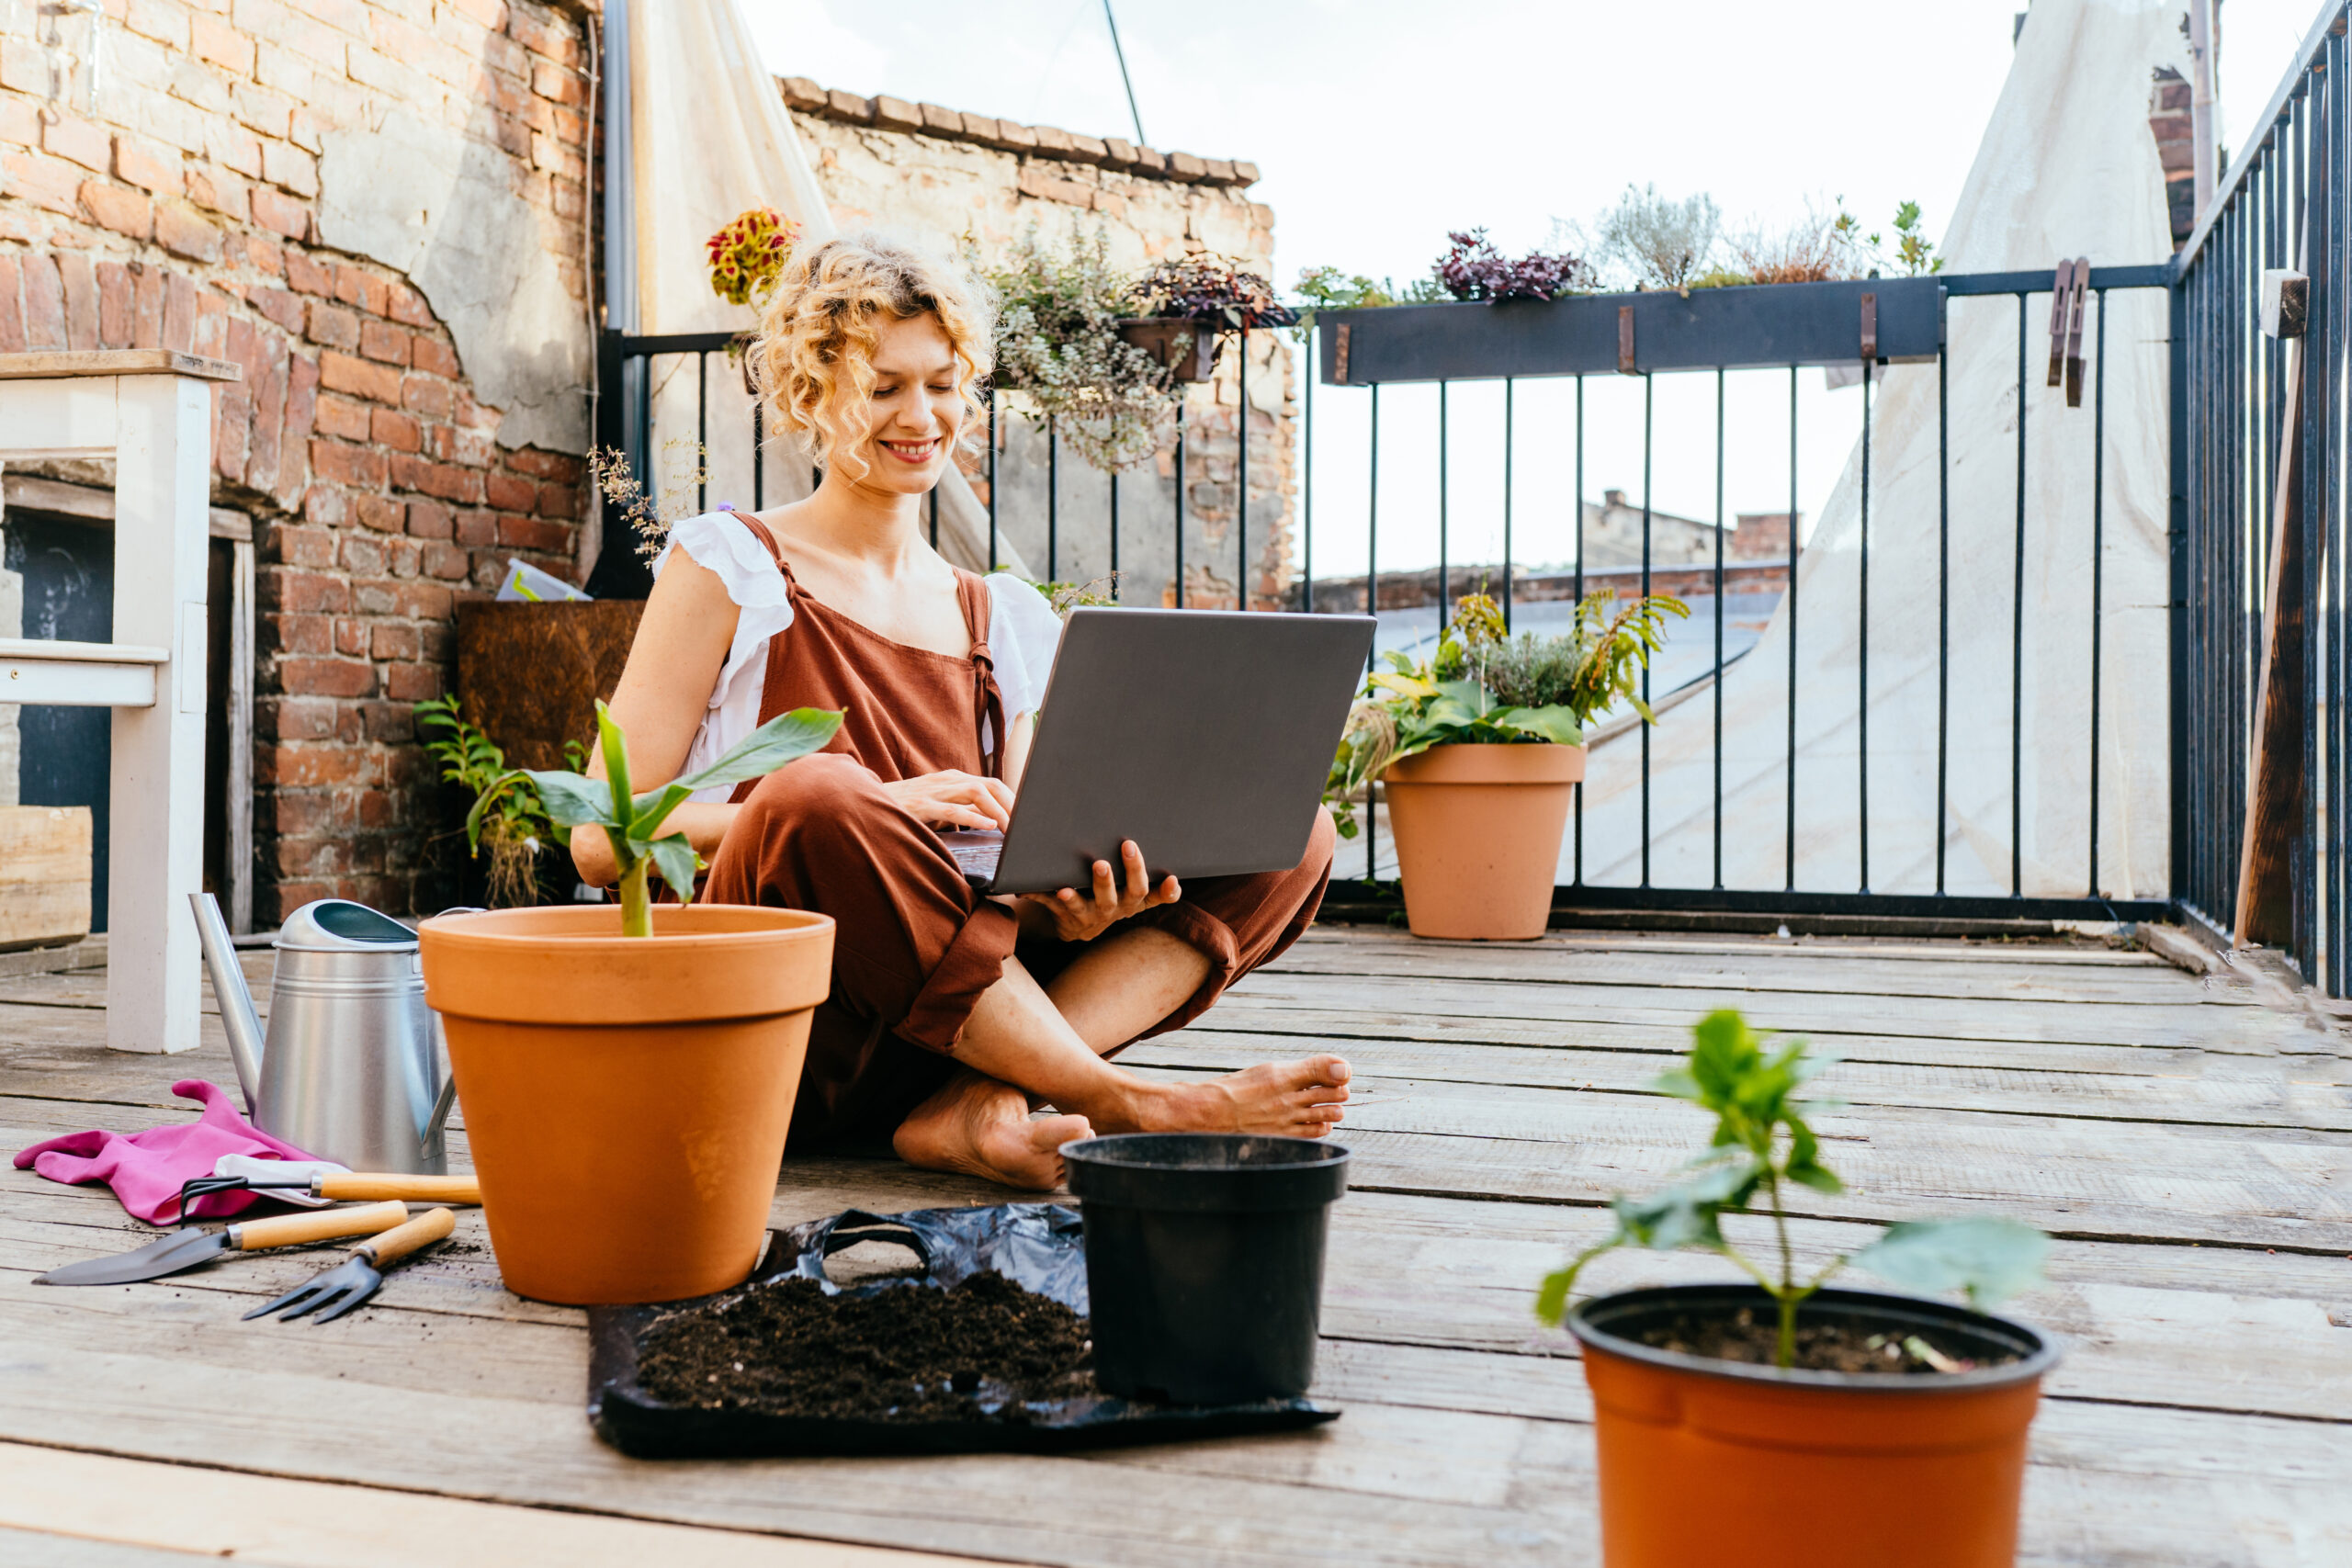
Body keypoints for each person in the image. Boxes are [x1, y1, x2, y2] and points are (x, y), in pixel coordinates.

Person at [572, 231, 1348, 1190]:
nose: (920, 416)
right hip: (789, 1033)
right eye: (883, 385)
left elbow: (1018, 877)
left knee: (1292, 834)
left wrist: (1077, 900)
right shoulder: (727, 565)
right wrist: (879, 811)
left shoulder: (1002, 616)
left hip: (952, 1029)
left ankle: (980, 1103)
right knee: (815, 796)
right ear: (807, 396)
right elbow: (603, 840)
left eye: (942, 383)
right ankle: (1117, 1099)